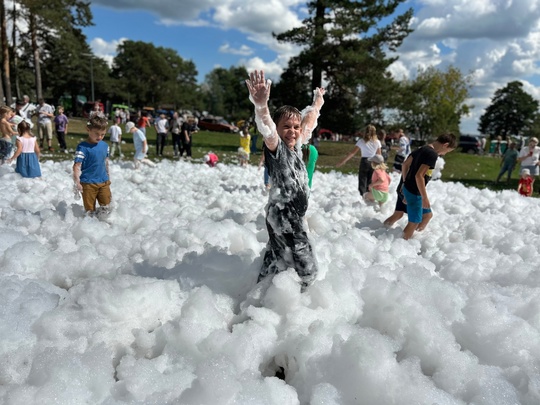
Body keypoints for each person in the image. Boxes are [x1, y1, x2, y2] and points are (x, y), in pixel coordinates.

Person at [245, 69, 325, 290]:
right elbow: (268, 129)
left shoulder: (297, 145)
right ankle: (297, 300)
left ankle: (258, 293)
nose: (292, 131)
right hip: (285, 217)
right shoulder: (277, 148)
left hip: (283, 215)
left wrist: (317, 104)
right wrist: (261, 106)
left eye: (295, 127)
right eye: (286, 127)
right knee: (308, 270)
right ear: (279, 130)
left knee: (276, 260)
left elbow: (307, 124)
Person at [399, 133, 457, 240]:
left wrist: (404, 183)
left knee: (427, 215)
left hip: (409, 187)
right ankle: (401, 243)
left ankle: (413, 239)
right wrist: (424, 197)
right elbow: (419, 176)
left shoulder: (422, 148)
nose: (444, 154)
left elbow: (405, 164)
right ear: (445, 145)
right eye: (447, 151)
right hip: (414, 191)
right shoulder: (432, 154)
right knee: (414, 221)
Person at [73, 115, 112, 216]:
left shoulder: (105, 146)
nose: (99, 137)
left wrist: (108, 177)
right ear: (88, 130)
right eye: (96, 134)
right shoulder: (83, 147)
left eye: (102, 134)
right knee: (90, 211)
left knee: (107, 206)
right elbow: (77, 165)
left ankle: (105, 226)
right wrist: (77, 182)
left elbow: (106, 162)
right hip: (88, 183)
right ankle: (92, 227)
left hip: (103, 181)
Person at [336, 124, 382, 197]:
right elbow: (379, 155)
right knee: (371, 180)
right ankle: (370, 196)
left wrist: (342, 161)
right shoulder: (377, 142)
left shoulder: (361, 141)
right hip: (374, 161)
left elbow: (352, 153)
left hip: (365, 161)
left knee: (362, 180)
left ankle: (362, 195)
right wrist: (381, 166)